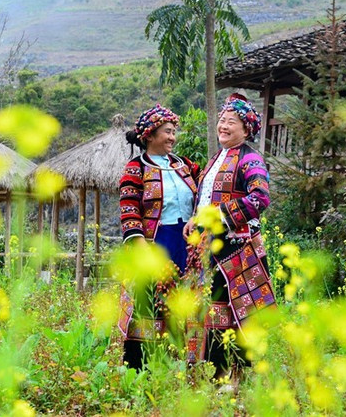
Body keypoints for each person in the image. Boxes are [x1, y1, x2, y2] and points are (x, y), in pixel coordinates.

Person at [182, 93, 275, 378]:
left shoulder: (250, 159)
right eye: (222, 120)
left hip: (236, 250)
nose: (223, 126)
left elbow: (260, 198)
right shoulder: (216, 159)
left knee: (236, 312)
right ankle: (214, 372)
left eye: (231, 122)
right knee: (210, 309)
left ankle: (235, 376)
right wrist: (195, 220)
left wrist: (216, 216)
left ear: (246, 129)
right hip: (209, 248)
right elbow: (206, 199)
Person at [118, 104, 200, 371]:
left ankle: (184, 363)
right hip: (155, 242)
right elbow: (129, 210)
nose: (172, 137)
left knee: (186, 300)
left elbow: (204, 193)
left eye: (174, 132)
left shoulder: (185, 165)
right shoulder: (136, 168)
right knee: (151, 300)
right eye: (167, 132)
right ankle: (142, 368)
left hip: (186, 243)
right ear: (150, 135)